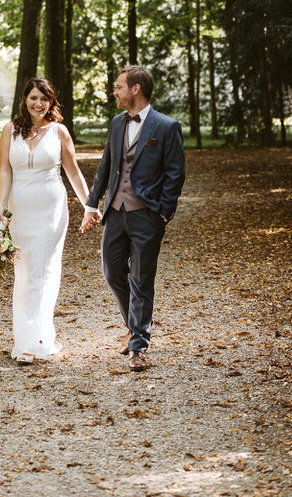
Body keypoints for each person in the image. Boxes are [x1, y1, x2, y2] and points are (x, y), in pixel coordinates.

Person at [81, 65, 185, 372]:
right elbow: (106, 165)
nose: (115, 92)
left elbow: (175, 174)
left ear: (135, 89)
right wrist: (92, 203)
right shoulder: (116, 123)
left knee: (141, 279)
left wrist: (162, 212)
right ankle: (135, 325)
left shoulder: (166, 126)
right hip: (115, 211)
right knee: (112, 271)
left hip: (147, 215)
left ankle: (138, 345)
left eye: (119, 87)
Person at [0, 77, 96, 364]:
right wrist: (2, 207)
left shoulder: (59, 132)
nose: (38, 103)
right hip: (20, 211)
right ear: (25, 100)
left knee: (44, 270)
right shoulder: (9, 131)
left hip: (52, 210)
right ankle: (26, 338)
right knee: (25, 272)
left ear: (51, 102)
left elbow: (74, 172)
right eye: (33, 98)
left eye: (44, 99)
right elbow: (5, 170)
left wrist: (89, 205)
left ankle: (36, 341)